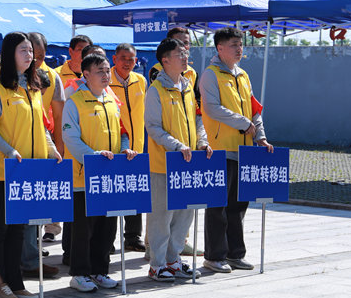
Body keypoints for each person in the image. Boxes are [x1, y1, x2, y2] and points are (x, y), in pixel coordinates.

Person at [0, 32, 61, 298]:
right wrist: (8, 150)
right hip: (4, 171)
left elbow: (42, 126)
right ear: (9, 54)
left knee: (18, 229)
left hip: (28, 171)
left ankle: (15, 282)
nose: (29, 55)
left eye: (30, 51)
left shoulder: (33, 87)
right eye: (23, 50)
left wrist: (51, 148)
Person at [200, 27, 272, 273]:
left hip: (244, 151)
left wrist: (260, 136)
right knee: (217, 207)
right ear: (219, 48)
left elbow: (254, 109)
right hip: (220, 150)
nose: (239, 49)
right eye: (233, 45)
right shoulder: (210, 75)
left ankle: (235, 254)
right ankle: (214, 256)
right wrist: (243, 123)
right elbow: (211, 108)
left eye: (240, 44)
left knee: (238, 206)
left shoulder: (242, 75)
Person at [63, 53, 136, 292]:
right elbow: (70, 138)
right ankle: (79, 273)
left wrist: (125, 149)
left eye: (107, 70)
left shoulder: (111, 100)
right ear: (86, 74)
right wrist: (94, 156)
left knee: (107, 227)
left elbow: (122, 131)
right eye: (100, 71)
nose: (106, 75)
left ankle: (100, 270)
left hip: (109, 175)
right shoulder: (75, 101)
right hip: (83, 176)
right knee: (84, 229)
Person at [145, 38, 209, 282]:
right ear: (165, 60)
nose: (185, 57)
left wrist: (202, 141)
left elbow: (197, 119)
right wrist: (177, 146)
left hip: (188, 163)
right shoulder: (156, 90)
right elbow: (153, 127)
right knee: (162, 217)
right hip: (164, 164)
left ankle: (174, 261)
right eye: (179, 54)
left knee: (184, 215)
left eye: (185, 53)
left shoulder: (187, 86)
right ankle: (157, 264)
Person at [21, 32, 63, 277]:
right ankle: (20, 261)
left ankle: (30, 258)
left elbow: (51, 120)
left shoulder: (49, 78)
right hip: (14, 159)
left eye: (38, 56)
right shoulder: (3, 80)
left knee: (34, 210)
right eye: (28, 54)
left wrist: (56, 149)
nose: (34, 60)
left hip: (39, 155)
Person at [109, 43, 147, 253]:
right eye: (123, 58)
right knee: (113, 192)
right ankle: (108, 240)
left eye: (131, 59)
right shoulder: (106, 80)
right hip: (114, 146)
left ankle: (133, 237)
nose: (127, 62)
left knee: (134, 190)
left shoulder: (140, 80)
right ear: (114, 59)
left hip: (137, 146)